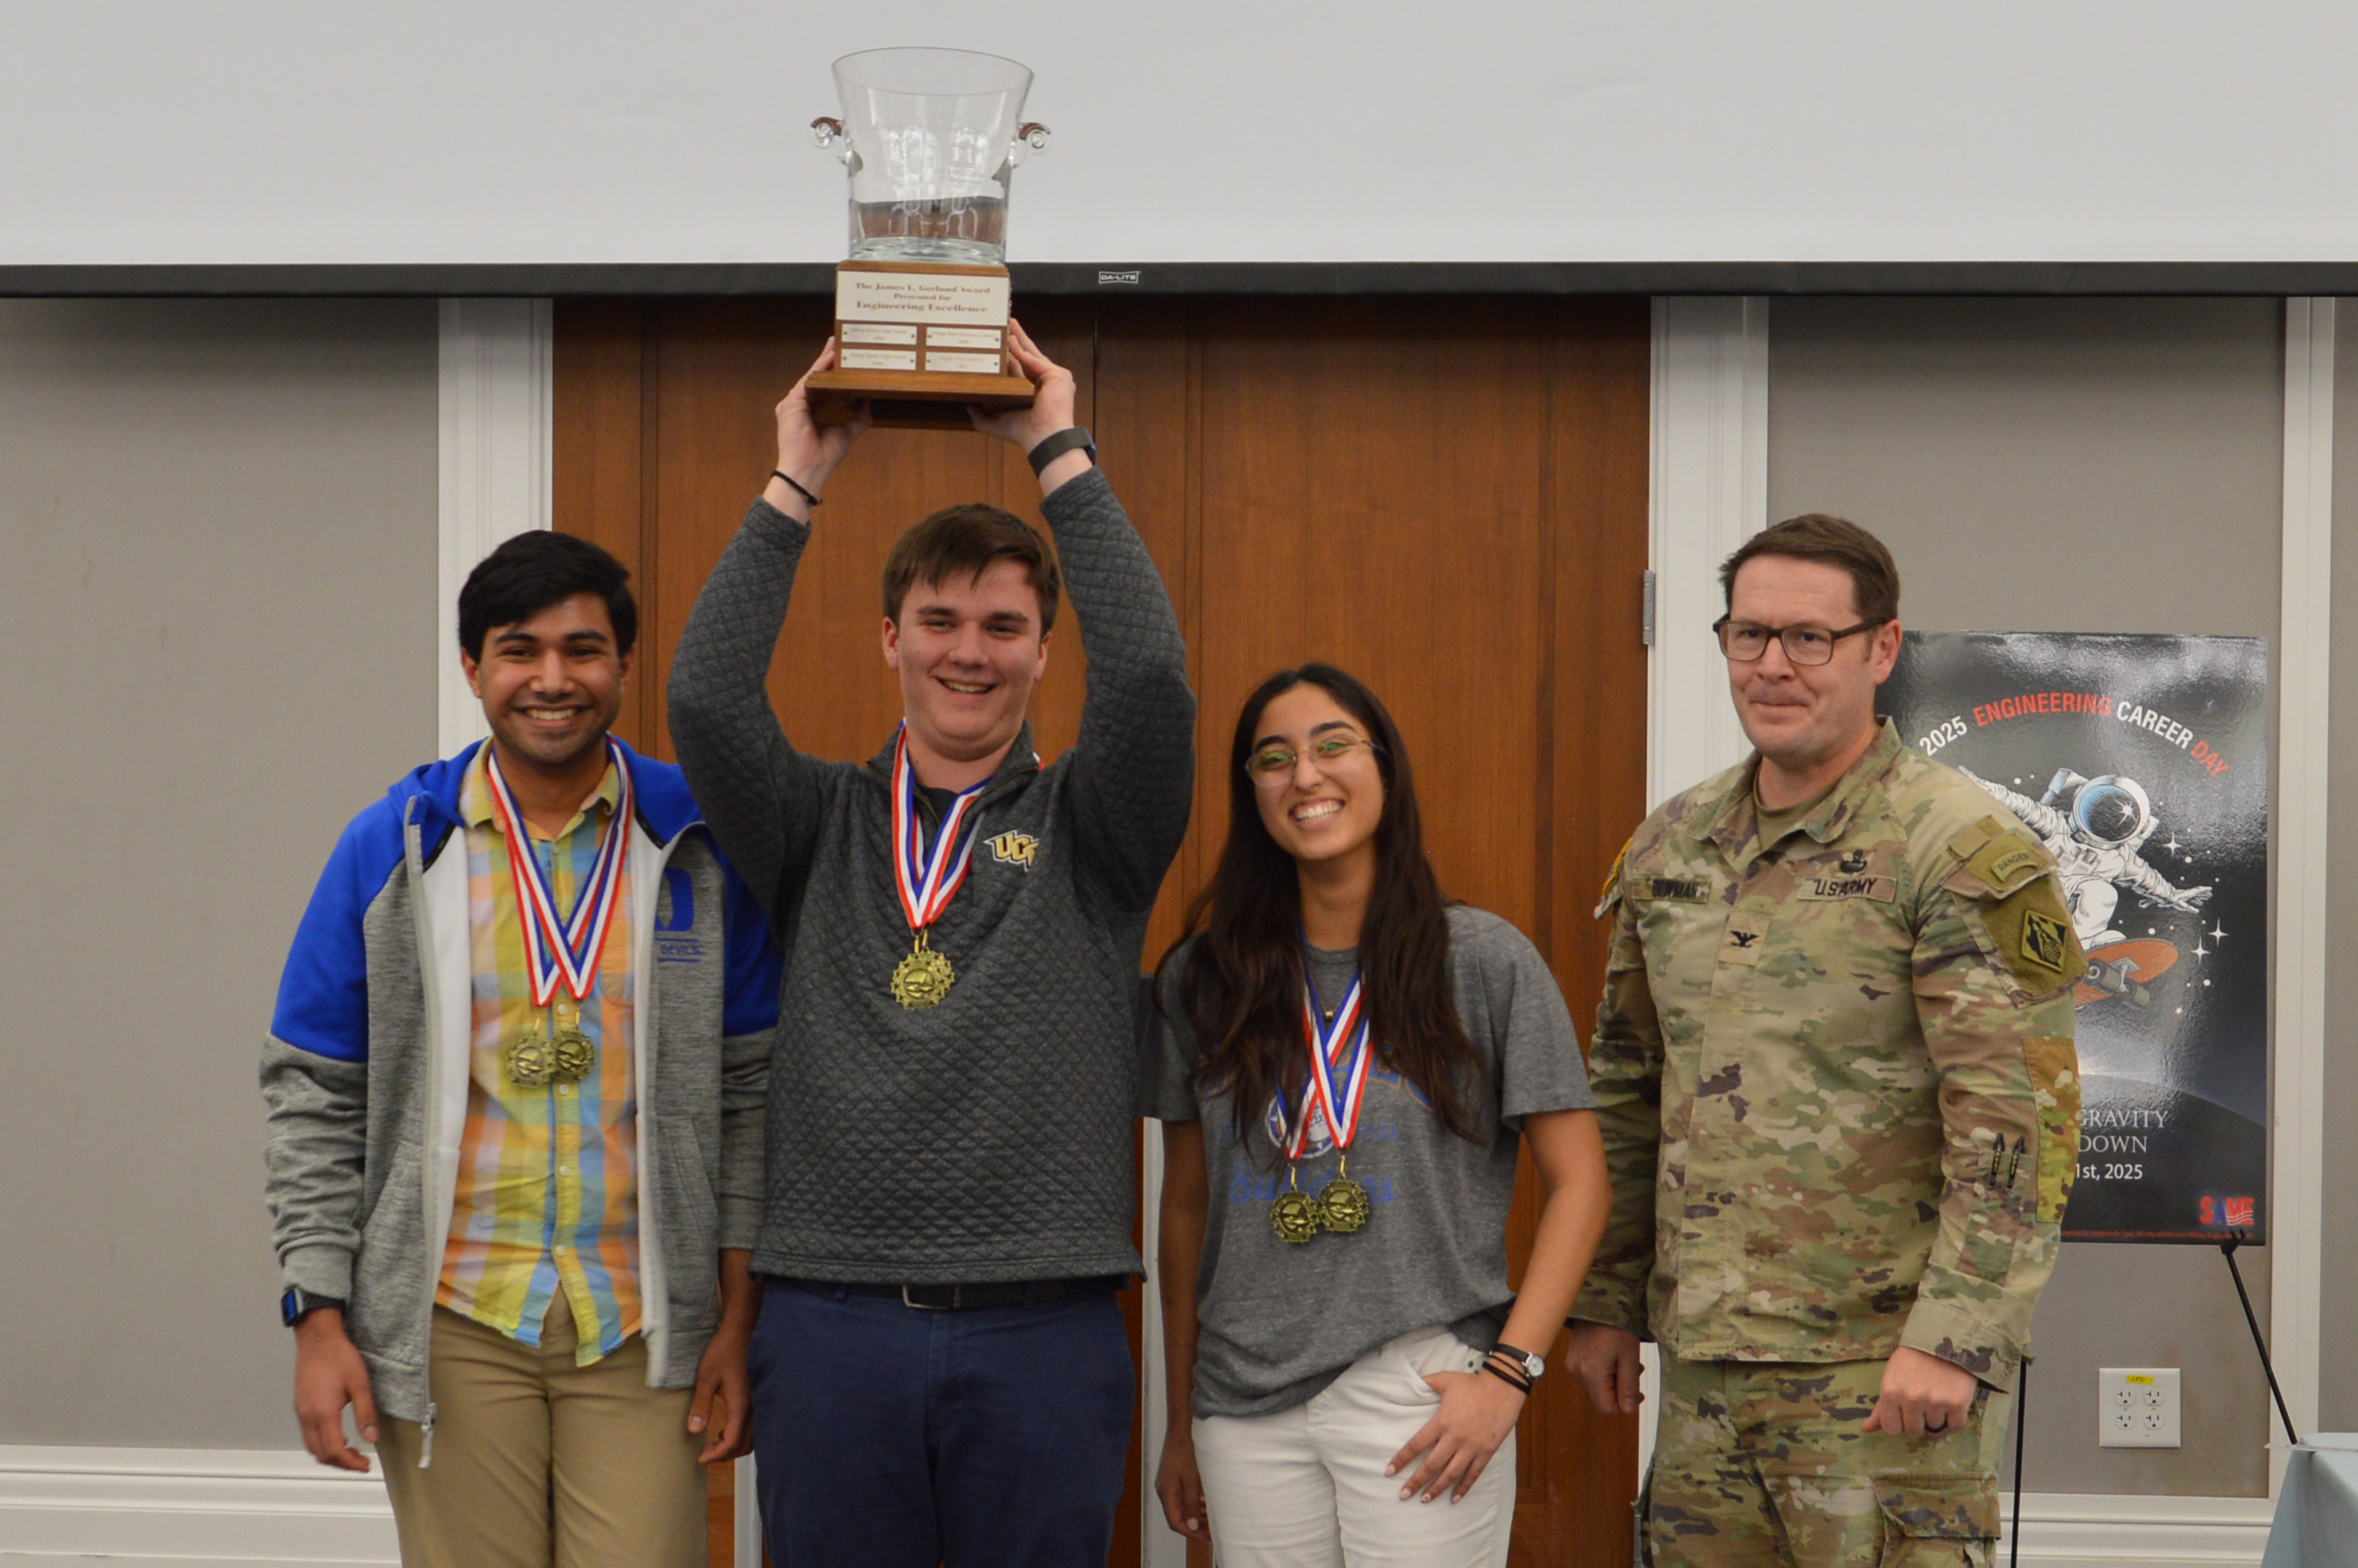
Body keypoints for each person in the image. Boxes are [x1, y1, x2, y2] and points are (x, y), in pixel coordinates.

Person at [665, 322, 1196, 1567]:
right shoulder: (813, 822)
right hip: (831, 1322)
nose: (968, 650)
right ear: (888, 637)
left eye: (1002, 625)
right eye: (938, 618)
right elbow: (705, 697)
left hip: (1043, 1326)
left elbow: (1149, 684)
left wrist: (1056, 446)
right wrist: (798, 474)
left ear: (1043, 650)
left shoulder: (1093, 830)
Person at [1564, 515, 2084, 1565]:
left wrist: (1954, 1337)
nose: (1772, 665)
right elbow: (1624, 1087)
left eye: (1808, 638)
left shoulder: (1955, 847)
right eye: (1748, 634)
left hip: (1881, 1374)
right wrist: (1606, 1299)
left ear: (1879, 648)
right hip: (1705, 1372)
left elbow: (2018, 1123)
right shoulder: (1671, 846)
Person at [260, 531, 781, 1568]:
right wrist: (318, 1319)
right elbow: (313, 1094)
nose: (552, 679)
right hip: (452, 1321)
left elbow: (751, 1098)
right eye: (517, 650)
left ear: (624, 664)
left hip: (643, 1323)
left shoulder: (697, 843)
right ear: (472, 668)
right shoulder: (393, 846)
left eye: (582, 650)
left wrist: (738, 1320)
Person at [1149, 663, 1612, 1568]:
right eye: (1272, 758)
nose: (1304, 776)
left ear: (1384, 768)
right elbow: (1185, 1206)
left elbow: (1581, 1183)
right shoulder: (1202, 979)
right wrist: (1178, 1420)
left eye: (1332, 746)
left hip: (1419, 1387)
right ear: (1251, 792)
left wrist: (1508, 1375)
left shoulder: (1481, 960)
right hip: (1243, 1407)